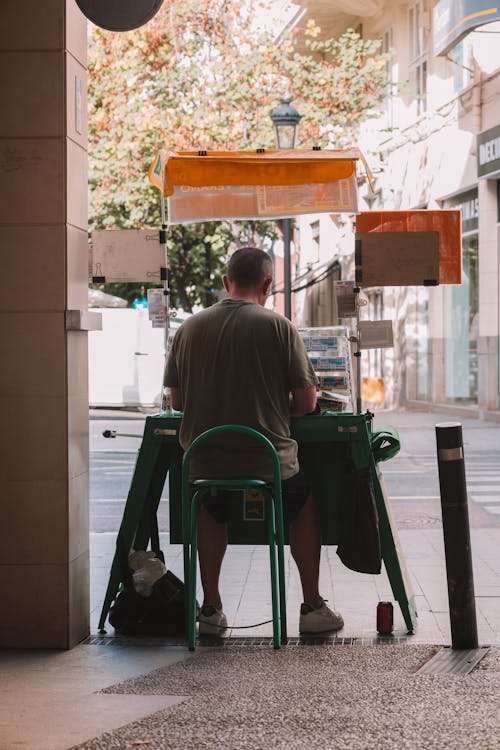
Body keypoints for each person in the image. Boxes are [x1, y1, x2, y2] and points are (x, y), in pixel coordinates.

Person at [164, 247, 344, 635]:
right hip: (268, 465)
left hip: (204, 463)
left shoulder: (189, 328)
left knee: (210, 508)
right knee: (303, 505)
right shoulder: (279, 327)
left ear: (226, 283)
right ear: (267, 285)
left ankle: (210, 610)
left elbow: (177, 402)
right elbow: (308, 402)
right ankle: (311, 606)